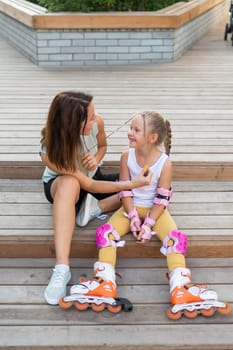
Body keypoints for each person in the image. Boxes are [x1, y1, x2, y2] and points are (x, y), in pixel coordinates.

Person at [71, 111, 229, 318]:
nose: (130, 133)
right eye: (131, 128)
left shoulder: (165, 163)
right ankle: (105, 281)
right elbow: (125, 190)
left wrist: (149, 224)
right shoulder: (127, 156)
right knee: (105, 233)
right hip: (130, 208)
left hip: (157, 211)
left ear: (152, 138)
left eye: (136, 130)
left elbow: (162, 198)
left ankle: (180, 287)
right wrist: (134, 218)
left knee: (175, 238)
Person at [39, 91, 152, 305]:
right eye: (90, 117)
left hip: (92, 177)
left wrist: (96, 158)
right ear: (74, 124)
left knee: (151, 185)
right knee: (70, 182)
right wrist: (132, 184)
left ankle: (94, 208)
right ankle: (62, 268)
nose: (96, 118)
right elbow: (87, 185)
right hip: (63, 189)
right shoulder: (49, 151)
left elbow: (102, 147)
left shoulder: (97, 122)